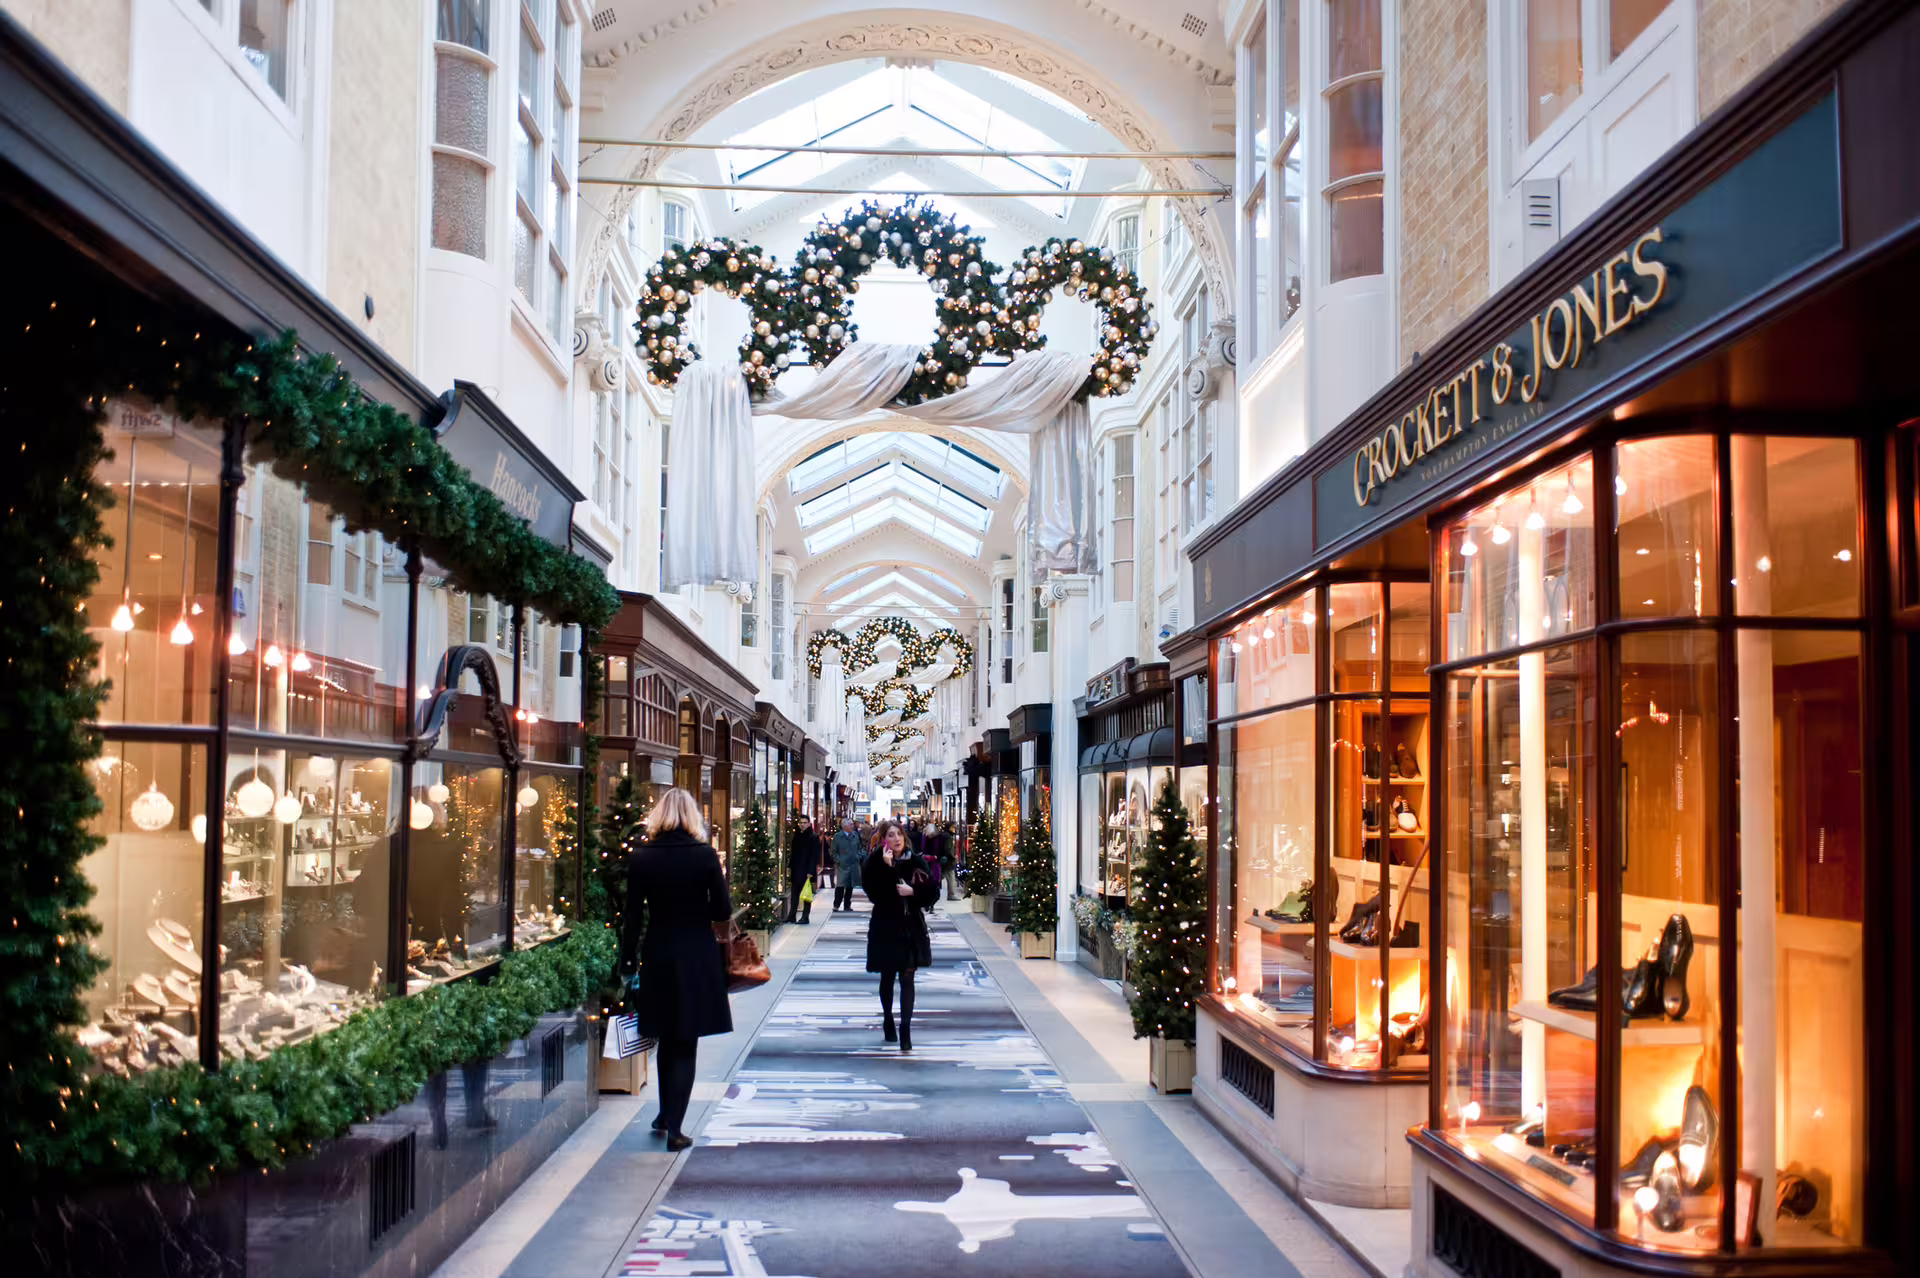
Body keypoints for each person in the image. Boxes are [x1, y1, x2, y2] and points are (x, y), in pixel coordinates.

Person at [619, 787, 732, 1152]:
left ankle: (665, 1114)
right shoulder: (704, 856)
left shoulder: (642, 857)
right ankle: (676, 1129)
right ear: (692, 816)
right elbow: (722, 911)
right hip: (696, 954)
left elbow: (633, 916)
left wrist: (626, 962)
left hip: (659, 952)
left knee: (666, 1037)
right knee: (686, 1041)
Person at [863, 821, 939, 1051]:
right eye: (891, 835)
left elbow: (932, 893)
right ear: (884, 839)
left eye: (899, 835)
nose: (896, 839)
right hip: (886, 927)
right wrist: (888, 868)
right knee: (887, 977)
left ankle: (905, 1031)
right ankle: (888, 1018)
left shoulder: (916, 861)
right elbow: (876, 894)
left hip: (910, 928)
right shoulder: (874, 863)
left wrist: (913, 892)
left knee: (907, 978)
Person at [787, 812, 824, 924]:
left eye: (804, 823)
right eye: (801, 823)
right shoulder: (796, 836)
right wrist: (790, 866)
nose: (802, 825)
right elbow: (793, 853)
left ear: (809, 824)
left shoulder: (813, 837)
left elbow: (814, 855)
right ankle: (791, 915)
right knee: (794, 894)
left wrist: (811, 871)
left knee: (806, 894)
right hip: (796, 869)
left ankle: (805, 916)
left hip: (806, 870)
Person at [831, 817, 864, 912]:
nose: (853, 826)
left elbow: (860, 848)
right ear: (845, 826)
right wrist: (838, 860)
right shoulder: (837, 837)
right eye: (851, 825)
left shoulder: (855, 836)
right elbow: (833, 851)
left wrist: (859, 856)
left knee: (850, 886)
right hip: (843, 865)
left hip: (853, 865)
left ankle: (847, 905)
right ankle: (836, 905)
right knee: (840, 886)